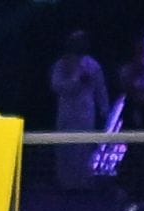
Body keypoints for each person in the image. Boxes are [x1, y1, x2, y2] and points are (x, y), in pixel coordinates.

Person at [50, 29, 109, 190]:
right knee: (65, 146)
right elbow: (56, 86)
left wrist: (104, 110)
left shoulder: (92, 65)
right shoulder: (62, 64)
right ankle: (66, 183)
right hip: (67, 112)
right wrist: (76, 83)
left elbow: (100, 89)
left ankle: (83, 182)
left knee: (83, 147)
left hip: (85, 113)